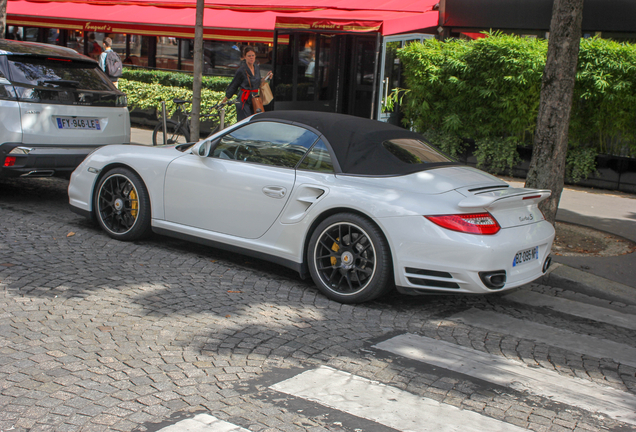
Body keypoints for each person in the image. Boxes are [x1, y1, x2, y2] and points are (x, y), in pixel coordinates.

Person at [222, 46, 273, 121]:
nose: (251, 58)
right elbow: (234, 85)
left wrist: (267, 77)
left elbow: (257, 82)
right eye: (249, 56)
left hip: (255, 99)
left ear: (255, 56)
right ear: (245, 57)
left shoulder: (256, 68)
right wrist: (225, 100)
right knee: (245, 122)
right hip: (244, 100)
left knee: (254, 121)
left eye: (253, 55)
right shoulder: (241, 70)